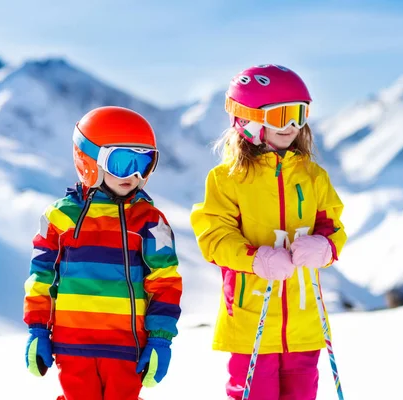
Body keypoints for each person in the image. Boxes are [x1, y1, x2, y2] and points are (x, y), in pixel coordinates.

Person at [190, 64, 347, 400]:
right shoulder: (227, 179)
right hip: (251, 317)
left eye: (299, 114)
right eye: (282, 116)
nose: (292, 126)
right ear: (248, 118)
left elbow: (332, 227)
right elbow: (214, 236)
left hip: (304, 320)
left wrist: (324, 246)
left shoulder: (312, 176)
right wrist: (255, 258)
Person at [23, 106, 182, 400]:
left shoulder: (149, 221)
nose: (134, 174)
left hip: (126, 347)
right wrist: (37, 329)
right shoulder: (59, 218)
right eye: (123, 161)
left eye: (144, 162)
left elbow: (166, 282)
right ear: (89, 160)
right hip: (72, 346)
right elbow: (41, 277)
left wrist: (160, 338)